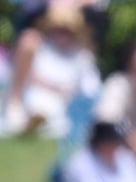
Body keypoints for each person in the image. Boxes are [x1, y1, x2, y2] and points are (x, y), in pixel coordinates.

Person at [2, 3, 101, 138]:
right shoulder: (38, 46)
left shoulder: (82, 56)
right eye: (59, 29)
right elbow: (20, 72)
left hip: (60, 108)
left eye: (66, 31)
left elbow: (88, 89)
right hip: (30, 98)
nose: (62, 34)